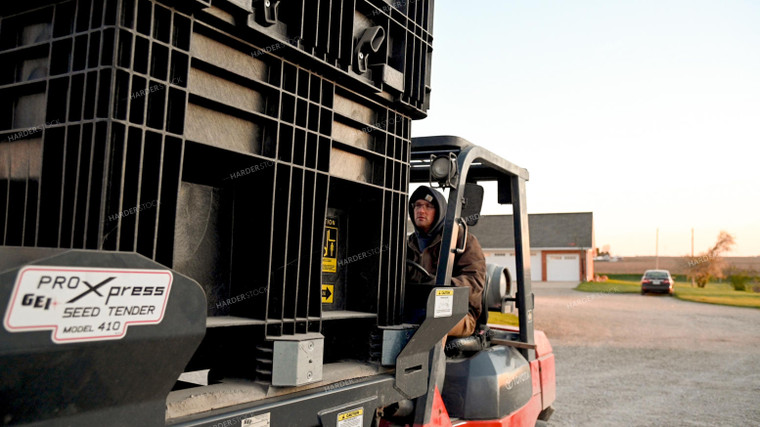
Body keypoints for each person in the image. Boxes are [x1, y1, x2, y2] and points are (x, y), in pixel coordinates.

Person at [406, 186, 486, 337]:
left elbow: (474, 283)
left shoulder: (462, 241)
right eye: (417, 205)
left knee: (432, 322)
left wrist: (438, 287)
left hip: (457, 312)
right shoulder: (409, 244)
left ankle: (430, 361)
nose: (421, 211)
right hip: (416, 307)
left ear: (440, 211)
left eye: (428, 206)